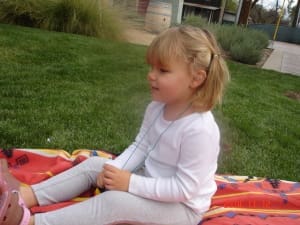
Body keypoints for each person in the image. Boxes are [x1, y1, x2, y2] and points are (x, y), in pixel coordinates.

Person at [0, 25, 229, 225]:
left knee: (113, 202)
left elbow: (183, 189)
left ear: (196, 79)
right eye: (151, 67)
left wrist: (129, 183)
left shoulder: (200, 130)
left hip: (182, 208)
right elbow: (140, 146)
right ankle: (26, 195)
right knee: (95, 165)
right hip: (149, 181)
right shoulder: (157, 108)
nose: (151, 75)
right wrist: (115, 170)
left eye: (163, 70)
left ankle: (31, 222)